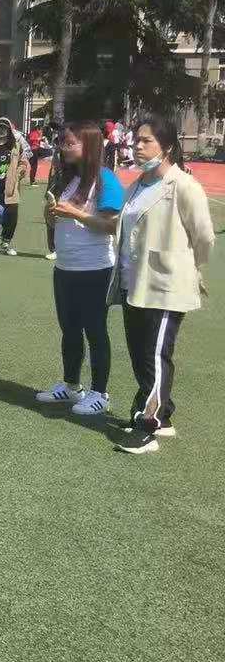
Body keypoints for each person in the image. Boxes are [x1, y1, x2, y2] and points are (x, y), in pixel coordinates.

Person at [109, 117, 214, 454]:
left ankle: (147, 425)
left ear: (167, 147)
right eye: (136, 140)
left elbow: (204, 237)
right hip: (133, 282)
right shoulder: (137, 186)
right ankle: (163, 414)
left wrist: (187, 267)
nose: (138, 146)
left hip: (167, 284)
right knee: (141, 354)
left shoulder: (183, 185)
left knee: (155, 355)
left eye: (147, 141)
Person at [35, 122, 123, 418]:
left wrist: (75, 213)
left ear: (90, 145)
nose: (64, 148)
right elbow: (59, 221)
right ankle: (72, 385)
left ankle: (100, 393)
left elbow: (112, 226)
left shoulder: (105, 179)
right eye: (62, 142)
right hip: (65, 268)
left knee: (95, 331)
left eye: (70, 143)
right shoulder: (69, 179)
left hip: (95, 269)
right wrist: (51, 216)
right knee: (70, 329)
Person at [0, 117, 28, 255]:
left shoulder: (15, 145)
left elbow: (23, 161)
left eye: (4, 128)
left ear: (9, 130)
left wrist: (18, 173)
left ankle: (6, 242)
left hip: (10, 188)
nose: (1, 130)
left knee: (11, 217)